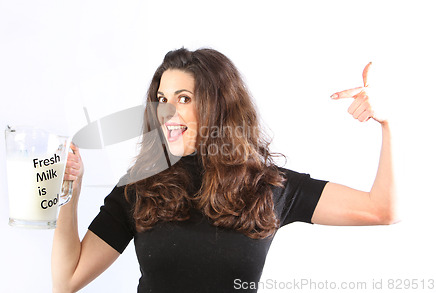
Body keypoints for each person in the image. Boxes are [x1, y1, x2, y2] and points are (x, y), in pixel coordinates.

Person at [51, 48, 398, 293]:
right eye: (161, 99)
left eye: (184, 98)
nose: (167, 111)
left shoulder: (268, 186)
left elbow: (382, 210)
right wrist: (70, 192)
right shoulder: (140, 188)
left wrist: (390, 123)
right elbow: (66, 281)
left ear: (219, 105)